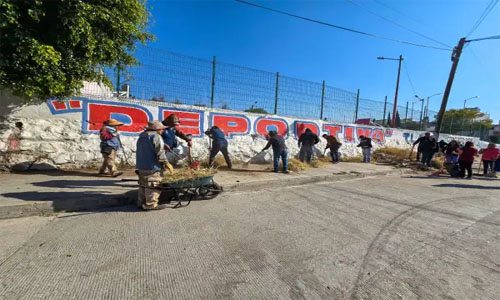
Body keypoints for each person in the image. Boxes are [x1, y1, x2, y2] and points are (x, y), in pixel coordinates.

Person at [136, 121, 170, 211]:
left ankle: (141, 202)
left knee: (143, 184)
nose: (162, 131)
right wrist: (166, 163)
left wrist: (163, 145)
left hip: (141, 165)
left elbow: (148, 148)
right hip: (152, 166)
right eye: (162, 129)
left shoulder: (142, 136)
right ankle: (150, 205)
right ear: (158, 130)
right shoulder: (156, 136)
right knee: (153, 185)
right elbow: (160, 153)